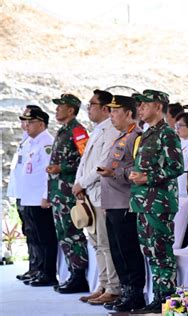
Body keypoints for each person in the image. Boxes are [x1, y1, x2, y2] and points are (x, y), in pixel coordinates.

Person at [129, 89, 184, 313]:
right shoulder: (147, 133)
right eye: (139, 105)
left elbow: (176, 166)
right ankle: (158, 299)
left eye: (144, 104)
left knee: (162, 253)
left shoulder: (166, 133)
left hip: (159, 203)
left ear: (158, 107)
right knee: (150, 253)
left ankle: (168, 303)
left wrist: (148, 177)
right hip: (143, 203)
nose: (140, 109)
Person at [98, 95, 146, 312]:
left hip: (125, 203)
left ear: (128, 113)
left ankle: (135, 293)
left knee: (128, 250)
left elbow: (137, 170)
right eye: (110, 111)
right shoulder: (120, 137)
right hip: (112, 202)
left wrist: (113, 172)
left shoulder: (136, 137)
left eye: (116, 111)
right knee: (117, 250)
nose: (111, 115)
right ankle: (125, 290)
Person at [72, 90, 121, 304]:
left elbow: (102, 164)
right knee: (97, 243)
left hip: (101, 194)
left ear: (104, 108)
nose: (88, 108)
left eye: (92, 104)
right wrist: (78, 184)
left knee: (105, 243)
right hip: (89, 194)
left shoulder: (111, 130)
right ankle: (102, 284)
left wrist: (82, 183)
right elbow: (85, 163)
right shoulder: (98, 130)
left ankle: (113, 287)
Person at [47, 93, 90, 294]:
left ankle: (79, 275)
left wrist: (61, 168)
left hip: (69, 191)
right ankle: (72, 273)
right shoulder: (63, 130)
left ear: (71, 110)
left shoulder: (78, 131)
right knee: (63, 233)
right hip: (58, 192)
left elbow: (86, 158)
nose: (57, 109)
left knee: (73, 233)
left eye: (60, 106)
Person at [17, 107, 58, 287]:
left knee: (45, 237)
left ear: (41, 124)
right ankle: (39, 269)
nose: (27, 126)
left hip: (40, 199)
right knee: (35, 236)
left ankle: (48, 273)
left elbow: (48, 174)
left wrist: (45, 196)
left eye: (31, 122)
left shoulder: (46, 143)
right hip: (29, 197)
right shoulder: (32, 142)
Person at [9, 105, 41, 282]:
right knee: (28, 231)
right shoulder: (26, 139)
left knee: (36, 232)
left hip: (31, 194)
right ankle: (33, 265)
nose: (24, 123)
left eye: (28, 120)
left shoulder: (37, 141)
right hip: (22, 192)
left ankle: (38, 267)